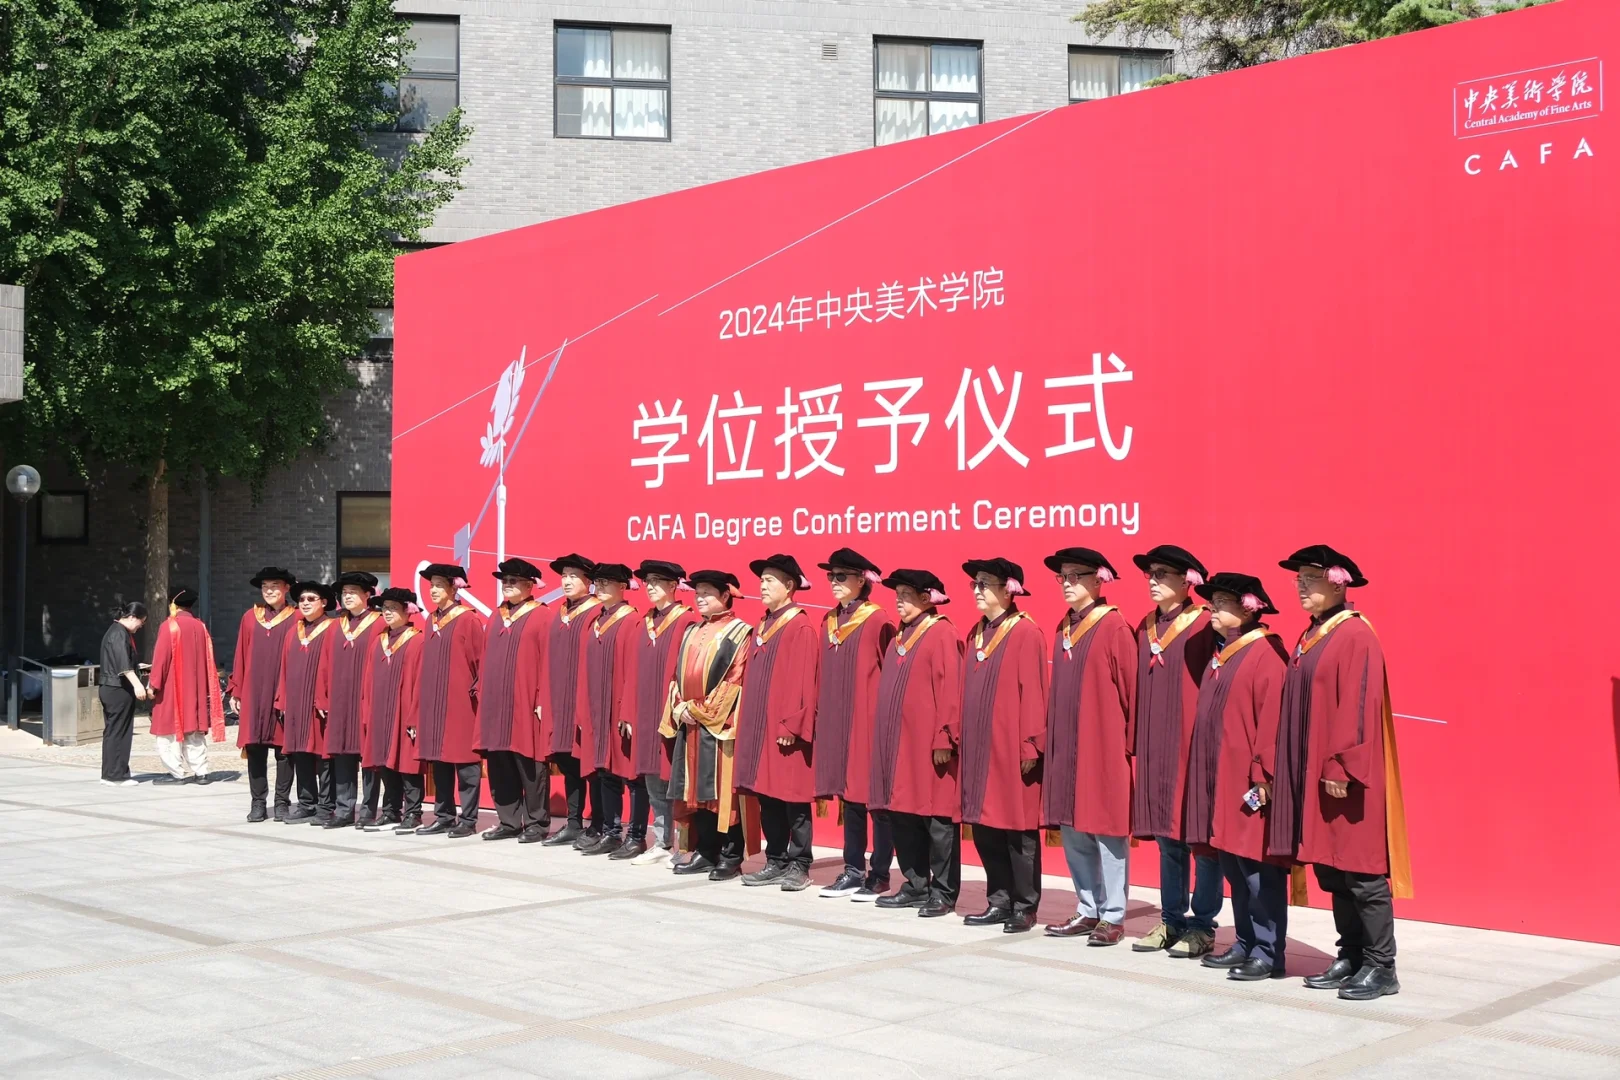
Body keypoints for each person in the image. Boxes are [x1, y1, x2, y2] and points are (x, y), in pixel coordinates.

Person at [1269, 546, 1411, 1001]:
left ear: (1338, 582)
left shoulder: (1354, 634)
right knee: (1332, 870)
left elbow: (1358, 703)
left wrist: (1342, 764)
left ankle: (1381, 966)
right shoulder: (1313, 633)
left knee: (1361, 873)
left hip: (1348, 777)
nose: (1301, 587)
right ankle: (1350, 955)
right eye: (1298, 579)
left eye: (1310, 578)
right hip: (1319, 774)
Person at [1182, 572, 1291, 981]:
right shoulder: (1224, 653)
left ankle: (1268, 951)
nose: (1212, 609)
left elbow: (1272, 721)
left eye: (1222, 603)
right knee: (1234, 869)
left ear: (1248, 608)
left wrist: (1263, 776)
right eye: (1212, 603)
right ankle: (1245, 942)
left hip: (1250, 784)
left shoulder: (1266, 653)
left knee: (1259, 872)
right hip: (1222, 781)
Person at [1039, 548, 1138, 947]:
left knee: (1107, 830)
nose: (1067, 583)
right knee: (1074, 829)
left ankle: (1113, 915)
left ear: (1099, 579)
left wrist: (1127, 746)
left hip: (1103, 747)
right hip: (1067, 746)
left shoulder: (1114, 627)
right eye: (1062, 576)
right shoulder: (1064, 626)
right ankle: (1087, 908)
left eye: (1075, 575)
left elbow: (1131, 692)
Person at [1129, 544, 1222, 959]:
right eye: (1150, 573)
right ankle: (1171, 919)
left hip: (1192, 749)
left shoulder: (1204, 624)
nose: (1152, 580)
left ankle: (1202, 925)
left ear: (1188, 581)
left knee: (1201, 842)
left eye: (1162, 573)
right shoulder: (1145, 626)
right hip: (1157, 749)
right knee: (1168, 839)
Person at [959, 558, 1049, 933]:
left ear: (1009, 589)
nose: (977, 590)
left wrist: (1030, 745)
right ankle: (998, 900)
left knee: (1018, 830)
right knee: (986, 828)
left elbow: (1034, 693)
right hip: (981, 750)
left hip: (1013, 749)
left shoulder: (1026, 632)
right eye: (975, 584)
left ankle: (1024, 906)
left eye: (985, 583)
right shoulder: (976, 633)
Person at [868, 569, 962, 918]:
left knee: (937, 820)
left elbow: (951, 689)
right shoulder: (901, 635)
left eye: (907, 595)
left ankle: (943, 892)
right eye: (898, 595)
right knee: (903, 815)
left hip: (929, 746)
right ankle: (915, 884)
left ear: (927, 598)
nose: (899, 601)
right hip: (899, 745)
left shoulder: (942, 633)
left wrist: (944, 737)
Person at [813, 548, 897, 901]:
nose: (834, 582)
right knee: (850, 799)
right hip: (839, 724)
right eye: (830, 576)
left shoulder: (878, 621)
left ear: (862, 580)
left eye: (841, 576)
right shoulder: (829, 620)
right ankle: (852, 869)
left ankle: (879, 873)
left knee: (874, 800)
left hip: (868, 724)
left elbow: (891, 674)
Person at [735, 554, 821, 892]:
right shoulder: (763, 625)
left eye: (770, 580)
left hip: (786, 731)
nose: (763, 585)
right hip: (761, 728)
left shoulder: (800, 626)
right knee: (767, 796)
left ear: (789, 585)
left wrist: (791, 725)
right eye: (762, 580)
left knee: (792, 798)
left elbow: (804, 680)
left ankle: (799, 864)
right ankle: (776, 860)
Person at [660, 569, 752, 881]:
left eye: (707, 593)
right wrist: (679, 706)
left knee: (722, 795)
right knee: (694, 791)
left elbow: (734, 681)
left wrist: (697, 710)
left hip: (720, 727)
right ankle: (706, 850)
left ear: (725, 595)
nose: (699, 598)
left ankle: (730, 855)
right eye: (697, 593)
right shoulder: (691, 630)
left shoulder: (740, 633)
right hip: (690, 724)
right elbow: (676, 676)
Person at [625, 560, 698, 865]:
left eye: (657, 581)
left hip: (672, 714)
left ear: (673, 586)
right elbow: (631, 671)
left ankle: (683, 845)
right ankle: (661, 841)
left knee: (676, 779)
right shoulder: (645, 622)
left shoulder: (687, 621)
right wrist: (628, 713)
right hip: (646, 712)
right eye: (648, 582)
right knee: (653, 778)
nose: (651, 587)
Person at [475, 559, 551, 843]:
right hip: (496, 703)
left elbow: (548, 662)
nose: (506, 585)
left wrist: (542, 697)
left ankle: (536, 822)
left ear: (530, 585)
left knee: (529, 763)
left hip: (526, 702)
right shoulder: (496, 616)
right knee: (500, 761)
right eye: (504, 581)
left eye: (513, 581)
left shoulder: (542, 616)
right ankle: (508, 821)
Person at [415, 563, 486, 838]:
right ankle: (444, 816)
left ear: (453, 588)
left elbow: (480, 662)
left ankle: (468, 820)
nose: (433, 590)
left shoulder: (468, 620)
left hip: (461, 703)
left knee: (465, 762)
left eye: (439, 585)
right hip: (435, 703)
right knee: (439, 760)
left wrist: (476, 695)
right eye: (431, 585)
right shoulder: (430, 620)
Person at [541, 553, 602, 847]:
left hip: (583, 700)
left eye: (573, 576)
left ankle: (598, 823)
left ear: (588, 581)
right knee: (568, 761)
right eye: (564, 576)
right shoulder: (560, 613)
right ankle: (574, 821)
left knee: (590, 763)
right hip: (560, 700)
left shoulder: (596, 611)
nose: (566, 581)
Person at [230, 566, 299, 822]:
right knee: (255, 748)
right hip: (254, 692)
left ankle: (281, 802)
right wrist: (236, 691)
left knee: (284, 750)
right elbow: (240, 655)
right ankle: (258, 802)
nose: (269, 591)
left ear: (286, 588)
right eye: (265, 587)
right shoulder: (250, 617)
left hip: (284, 692)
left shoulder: (297, 618)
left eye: (274, 586)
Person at [581, 562, 641, 856]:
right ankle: (610, 831)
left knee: (630, 774)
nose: (601, 587)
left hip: (618, 710)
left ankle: (635, 835)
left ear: (623, 587)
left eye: (607, 583)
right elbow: (584, 671)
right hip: (598, 709)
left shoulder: (632, 621)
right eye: (598, 582)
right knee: (604, 771)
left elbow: (633, 671)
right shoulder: (595, 622)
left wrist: (627, 711)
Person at [360, 587, 427, 832]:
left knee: (407, 764)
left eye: (393, 608)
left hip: (404, 712)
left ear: (408, 611)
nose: (387, 612)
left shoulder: (418, 640)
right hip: (380, 712)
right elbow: (368, 681)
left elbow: (421, 683)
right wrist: (367, 712)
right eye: (385, 608)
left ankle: (413, 813)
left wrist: (415, 717)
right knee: (384, 762)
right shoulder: (378, 642)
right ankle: (390, 811)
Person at [148, 587, 225, 785]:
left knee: (168, 732)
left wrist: (153, 684)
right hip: (195, 689)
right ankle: (201, 772)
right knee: (194, 730)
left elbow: (161, 659)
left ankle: (177, 773)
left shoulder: (170, 626)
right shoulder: (200, 626)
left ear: (173, 604)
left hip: (172, 688)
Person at [325, 572, 383, 828]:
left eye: (353, 592)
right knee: (342, 754)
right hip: (339, 701)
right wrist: (323, 697)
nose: (347, 596)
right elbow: (324, 664)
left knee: (368, 756)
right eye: (344, 592)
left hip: (367, 699)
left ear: (367, 595)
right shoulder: (335, 626)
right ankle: (344, 809)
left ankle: (368, 810)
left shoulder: (379, 623)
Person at [276, 582, 337, 822]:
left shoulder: (333, 629)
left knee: (323, 756)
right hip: (296, 703)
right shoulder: (294, 631)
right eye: (302, 599)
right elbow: (284, 668)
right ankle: (306, 803)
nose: (305, 603)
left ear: (324, 602)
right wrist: (282, 700)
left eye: (312, 599)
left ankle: (326, 805)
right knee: (300, 753)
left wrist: (327, 700)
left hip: (320, 705)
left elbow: (334, 669)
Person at [97, 602, 149, 786]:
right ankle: (116, 775)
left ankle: (109, 773)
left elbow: (124, 662)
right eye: (142, 621)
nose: (141, 626)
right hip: (118, 688)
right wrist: (138, 685)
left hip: (111, 687)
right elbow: (123, 665)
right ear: (132, 617)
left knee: (113, 731)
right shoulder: (119, 633)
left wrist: (140, 668)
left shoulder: (116, 631)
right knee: (120, 731)